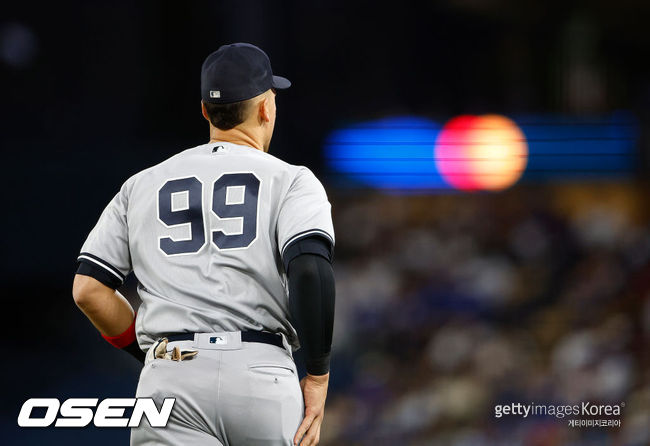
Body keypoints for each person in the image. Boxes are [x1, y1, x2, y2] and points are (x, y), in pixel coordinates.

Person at [72, 42, 335, 446]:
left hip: (171, 375)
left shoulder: (140, 185)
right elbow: (310, 270)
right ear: (266, 107)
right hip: (260, 371)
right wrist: (317, 376)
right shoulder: (292, 179)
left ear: (205, 111)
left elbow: (88, 290)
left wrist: (150, 354)